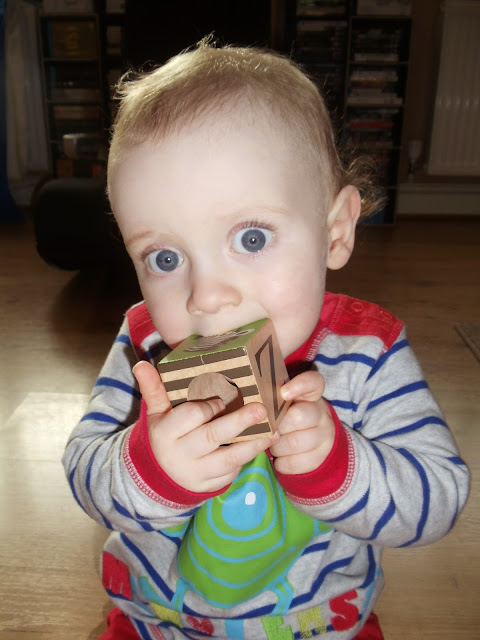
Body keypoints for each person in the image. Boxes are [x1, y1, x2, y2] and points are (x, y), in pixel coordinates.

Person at [63, 39, 470, 640]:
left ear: (335, 233)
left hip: (320, 627)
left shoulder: (370, 353)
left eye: (251, 239)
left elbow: (438, 500)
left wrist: (340, 467)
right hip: (158, 624)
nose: (206, 295)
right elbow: (83, 470)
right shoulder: (144, 345)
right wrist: (148, 468)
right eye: (165, 256)